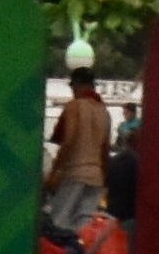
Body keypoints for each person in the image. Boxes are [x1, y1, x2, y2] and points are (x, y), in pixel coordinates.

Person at [46, 73, 114, 226]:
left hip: (74, 173)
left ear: (77, 84)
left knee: (59, 223)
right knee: (83, 226)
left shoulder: (74, 106)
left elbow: (68, 140)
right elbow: (105, 150)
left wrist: (55, 172)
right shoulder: (104, 112)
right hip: (96, 178)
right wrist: (104, 179)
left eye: (72, 86)